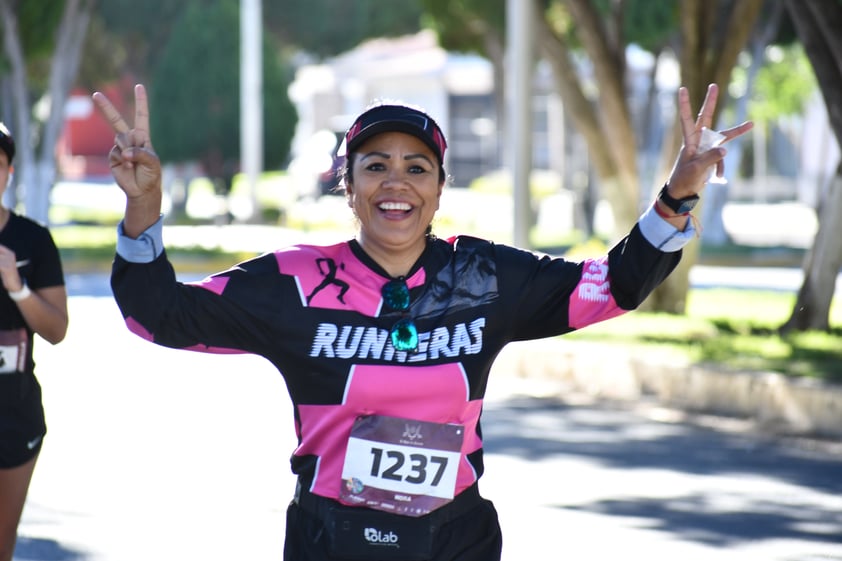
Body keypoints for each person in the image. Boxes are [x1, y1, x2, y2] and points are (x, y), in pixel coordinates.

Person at [92, 83, 751, 561]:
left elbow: (615, 286)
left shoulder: (484, 276)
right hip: (331, 539)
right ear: (347, 187)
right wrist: (143, 209)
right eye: (374, 166)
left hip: (455, 538)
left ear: (439, 188)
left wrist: (680, 191)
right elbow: (158, 315)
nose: (395, 182)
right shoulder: (291, 280)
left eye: (417, 167)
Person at [0, 122, 69, 561]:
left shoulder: (33, 241)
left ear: (8, 172)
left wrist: (17, 286)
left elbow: (57, 330)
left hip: (15, 418)